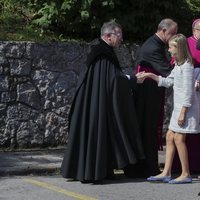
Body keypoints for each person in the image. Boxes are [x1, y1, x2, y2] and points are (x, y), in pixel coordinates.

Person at [61, 20, 145, 183]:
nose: (121, 39)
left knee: (101, 133)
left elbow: (109, 79)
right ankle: (95, 171)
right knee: (98, 132)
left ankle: (101, 169)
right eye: (119, 35)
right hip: (98, 104)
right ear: (108, 35)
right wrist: (133, 80)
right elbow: (114, 81)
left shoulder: (98, 49)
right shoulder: (103, 54)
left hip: (94, 103)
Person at [145, 33, 200, 184]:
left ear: (179, 48)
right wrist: (151, 75)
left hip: (186, 109)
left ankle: (186, 173)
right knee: (170, 136)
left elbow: (189, 92)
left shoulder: (187, 66)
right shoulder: (178, 64)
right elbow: (168, 82)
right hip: (179, 108)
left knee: (178, 138)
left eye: (171, 47)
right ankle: (166, 172)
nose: (168, 50)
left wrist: (183, 112)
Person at [132, 18, 178, 177]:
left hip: (150, 93)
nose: (173, 37)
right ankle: (148, 167)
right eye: (172, 34)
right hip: (147, 96)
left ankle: (147, 166)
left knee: (149, 130)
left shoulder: (156, 44)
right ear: (164, 31)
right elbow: (167, 71)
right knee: (148, 130)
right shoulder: (153, 47)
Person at [172, 18, 200, 174]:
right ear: (194, 30)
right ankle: (184, 167)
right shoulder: (187, 43)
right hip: (191, 87)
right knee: (186, 127)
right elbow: (177, 62)